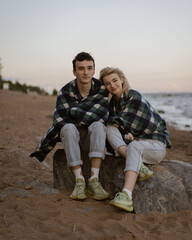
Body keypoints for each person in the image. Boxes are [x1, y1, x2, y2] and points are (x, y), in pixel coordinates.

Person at [30, 52, 109, 201]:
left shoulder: (102, 90)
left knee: (98, 126)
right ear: (74, 71)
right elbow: (59, 121)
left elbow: (103, 116)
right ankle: (79, 180)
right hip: (71, 137)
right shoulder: (65, 91)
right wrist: (87, 115)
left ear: (93, 70)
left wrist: (73, 113)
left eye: (89, 68)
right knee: (67, 127)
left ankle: (94, 180)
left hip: (94, 136)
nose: (85, 72)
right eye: (81, 68)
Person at [99, 67, 171, 212]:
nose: (112, 85)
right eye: (107, 83)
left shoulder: (134, 96)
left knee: (133, 145)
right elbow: (115, 125)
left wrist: (123, 130)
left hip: (155, 145)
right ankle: (140, 167)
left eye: (115, 80)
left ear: (122, 80)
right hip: (137, 143)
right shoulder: (113, 104)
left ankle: (127, 196)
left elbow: (121, 121)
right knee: (108, 128)